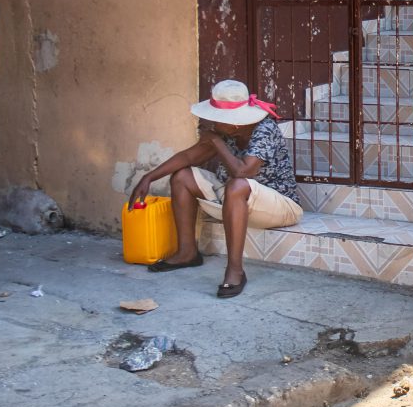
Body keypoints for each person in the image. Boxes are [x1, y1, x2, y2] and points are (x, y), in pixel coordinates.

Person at [128, 79, 302, 298]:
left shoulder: (265, 129)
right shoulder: (228, 133)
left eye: (217, 118)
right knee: (182, 176)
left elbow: (242, 172)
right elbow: (188, 156)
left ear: (235, 123)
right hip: (235, 198)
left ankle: (235, 270)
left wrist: (216, 142)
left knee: (237, 185)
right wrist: (149, 177)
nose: (211, 121)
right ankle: (187, 252)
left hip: (280, 207)